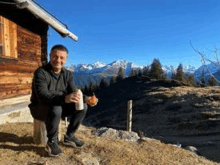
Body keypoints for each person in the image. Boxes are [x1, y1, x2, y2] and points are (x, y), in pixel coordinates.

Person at [28, 44, 97, 157]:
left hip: (58, 106)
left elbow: (74, 92)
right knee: (56, 107)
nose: (58, 60)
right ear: (50, 56)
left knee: (82, 107)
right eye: (55, 56)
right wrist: (65, 98)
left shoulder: (68, 74)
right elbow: (43, 96)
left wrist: (87, 99)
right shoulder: (41, 73)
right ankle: (52, 142)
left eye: (61, 58)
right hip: (39, 107)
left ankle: (69, 136)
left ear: (66, 59)